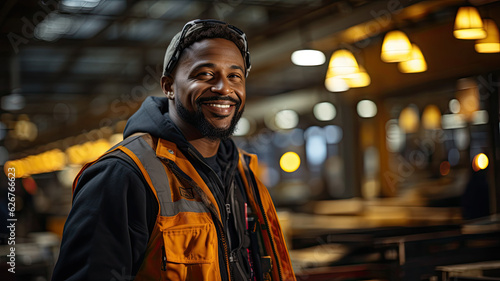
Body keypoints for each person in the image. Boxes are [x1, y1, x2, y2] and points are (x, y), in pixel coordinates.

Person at [52, 19, 296, 281]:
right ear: (168, 86)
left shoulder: (241, 172)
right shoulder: (122, 175)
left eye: (234, 76)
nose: (224, 88)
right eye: (205, 74)